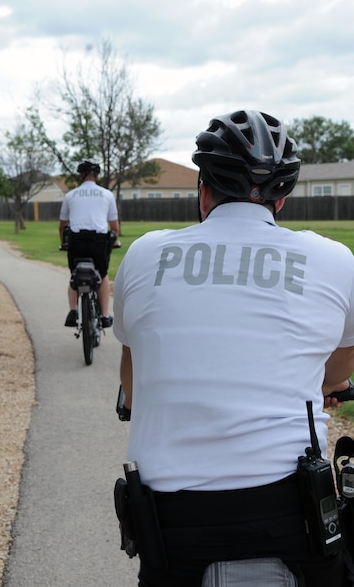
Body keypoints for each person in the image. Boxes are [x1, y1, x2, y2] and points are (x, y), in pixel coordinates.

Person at [113, 110, 354, 587]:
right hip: (294, 514)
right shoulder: (333, 259)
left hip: (172, 526)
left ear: (203, 192)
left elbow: (133, 380)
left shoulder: (143, 254)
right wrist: (327, 385)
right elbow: (338, 366)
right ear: (280, 201)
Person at [59, 159, 119, 328]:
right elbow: (114, 226)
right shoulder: (107, 194)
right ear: (97, 176)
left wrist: (64, 244)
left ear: (81, 175)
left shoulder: (71, 195)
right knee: (103, 275)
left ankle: (73, 311)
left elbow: (62, 225)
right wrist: (114, 241)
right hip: (98, 242)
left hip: (76, 241)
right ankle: (105, 316)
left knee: (74, 276)